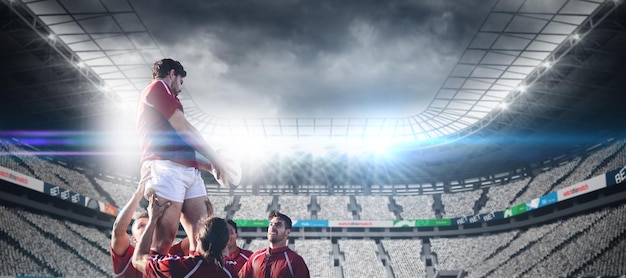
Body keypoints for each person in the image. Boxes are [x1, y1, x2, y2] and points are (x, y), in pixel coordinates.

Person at [136, 58, 227, 255]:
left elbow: (179, 144)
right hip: (165, 168)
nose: (181, 87)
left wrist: (208, 165)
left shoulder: (166, 96)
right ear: (172, 74)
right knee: (163, 242)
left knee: (202, 239)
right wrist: (215, 157)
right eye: (181, 81)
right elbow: (184, 128)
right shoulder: (156, 88)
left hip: (187, 170)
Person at [132, 194, 232, 278]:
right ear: (225, 243)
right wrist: (209, 221)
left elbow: (138, 259)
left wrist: (153, 219)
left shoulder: (178, 268)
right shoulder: (230, 270)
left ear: (197, 237)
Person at [110, 177, 189, 278]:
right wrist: (138, 193)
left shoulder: (169, 255)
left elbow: (198, 236)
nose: (148, 227)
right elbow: (118, 229)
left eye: (150, 224)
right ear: (134, 239)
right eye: (141, 225)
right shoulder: (127, 259)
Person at [238, 211, 310, 278]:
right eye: (271, 224)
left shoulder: (295, 260)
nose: (272, 227)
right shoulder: (255, 257)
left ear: (287, 232)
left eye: (278, 225)